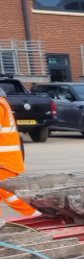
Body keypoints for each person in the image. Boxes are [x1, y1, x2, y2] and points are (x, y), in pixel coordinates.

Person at [0, 90, 37, 218]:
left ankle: (36, 215)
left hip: (4, 162)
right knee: (6, 192)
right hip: (6, 161)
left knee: (8, 192)